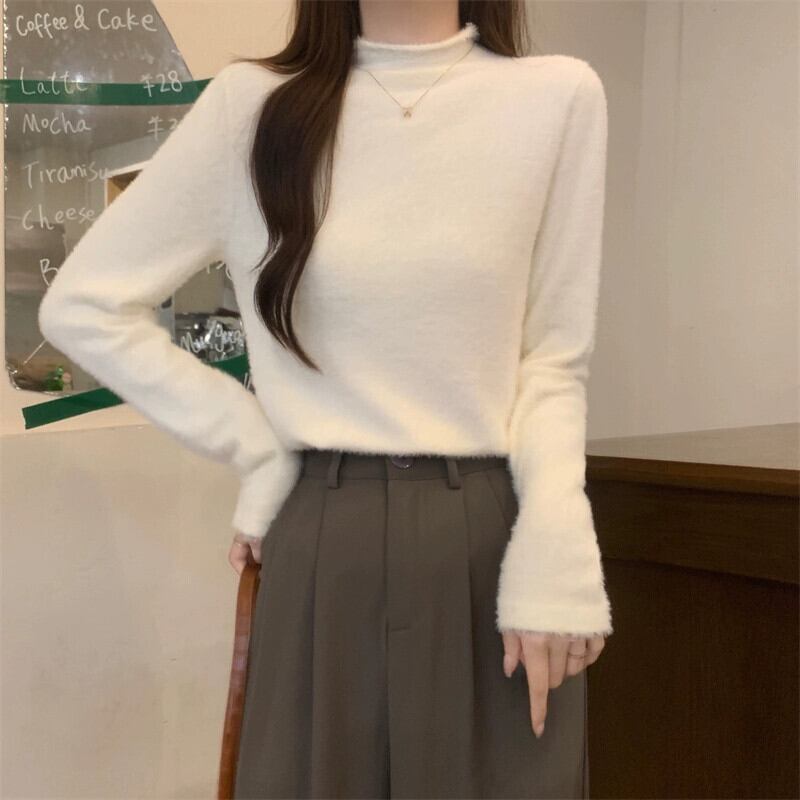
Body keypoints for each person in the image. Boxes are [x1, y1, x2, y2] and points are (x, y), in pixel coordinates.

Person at [38, 0, 614, 796]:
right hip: (325, 541)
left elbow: (552, 360)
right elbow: (83, 305)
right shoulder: (252, 109)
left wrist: (556, 546)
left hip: (497, 548)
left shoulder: (558, 99)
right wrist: (254, 446)